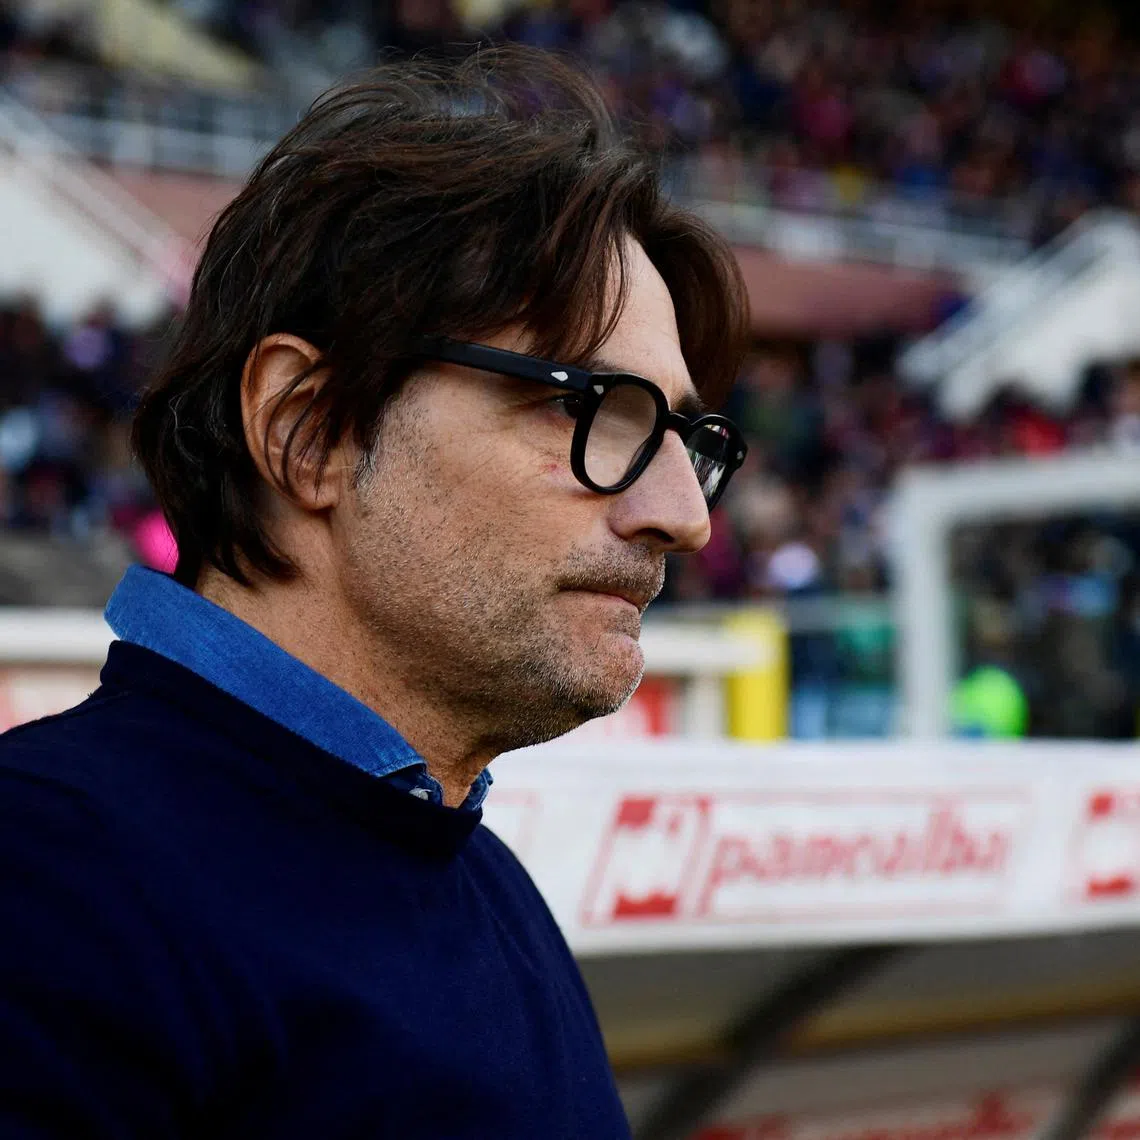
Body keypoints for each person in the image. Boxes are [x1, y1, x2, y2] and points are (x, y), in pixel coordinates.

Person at [0, 46, 749, 1139]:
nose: (685, 515)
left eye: (688, 438)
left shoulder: (486, 887)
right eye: (591, 410)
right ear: (309, 430)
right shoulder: (46, 882)